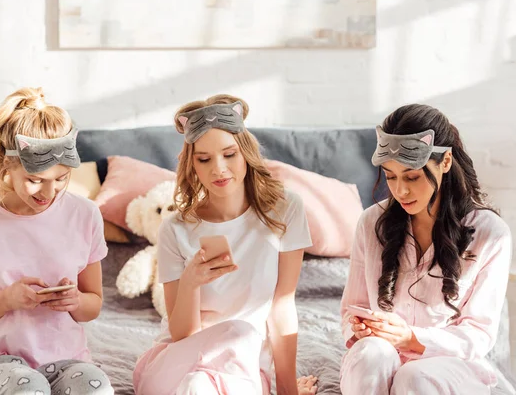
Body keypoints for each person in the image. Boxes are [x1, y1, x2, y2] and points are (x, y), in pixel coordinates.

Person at [133, 94, 318, 395]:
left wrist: (288, 390)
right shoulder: (175, 228)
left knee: (204, 380)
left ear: (246, 152)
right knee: (211, 362)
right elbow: (182, 335)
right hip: (176, 363)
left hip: (242, 369)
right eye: (204, 159)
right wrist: (191, 284)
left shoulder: (285, 210)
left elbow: (282, 305)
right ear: (192, 165)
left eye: (229, 154)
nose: (218, 169)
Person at [0, 87, 113, 395]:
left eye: (61, 179)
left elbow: (92, 305)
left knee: (95, 386)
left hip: (66, 362)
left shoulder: (85, 215)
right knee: (28, 386)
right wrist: (4, 301)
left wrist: (75, 301)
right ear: (7, 165)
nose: (49, 193)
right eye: (35, 181)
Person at [340, 104, 512, 394]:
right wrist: (359, 328)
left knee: (414, 377)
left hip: (449, 366)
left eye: (412, 176)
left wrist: (411, 338)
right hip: (379, 355)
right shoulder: (371, 223)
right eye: (390, 176)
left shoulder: (490, 235)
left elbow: (479, 333)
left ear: (445, 162)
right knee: (372, 354)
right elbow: (352, 307)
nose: (400, 191)